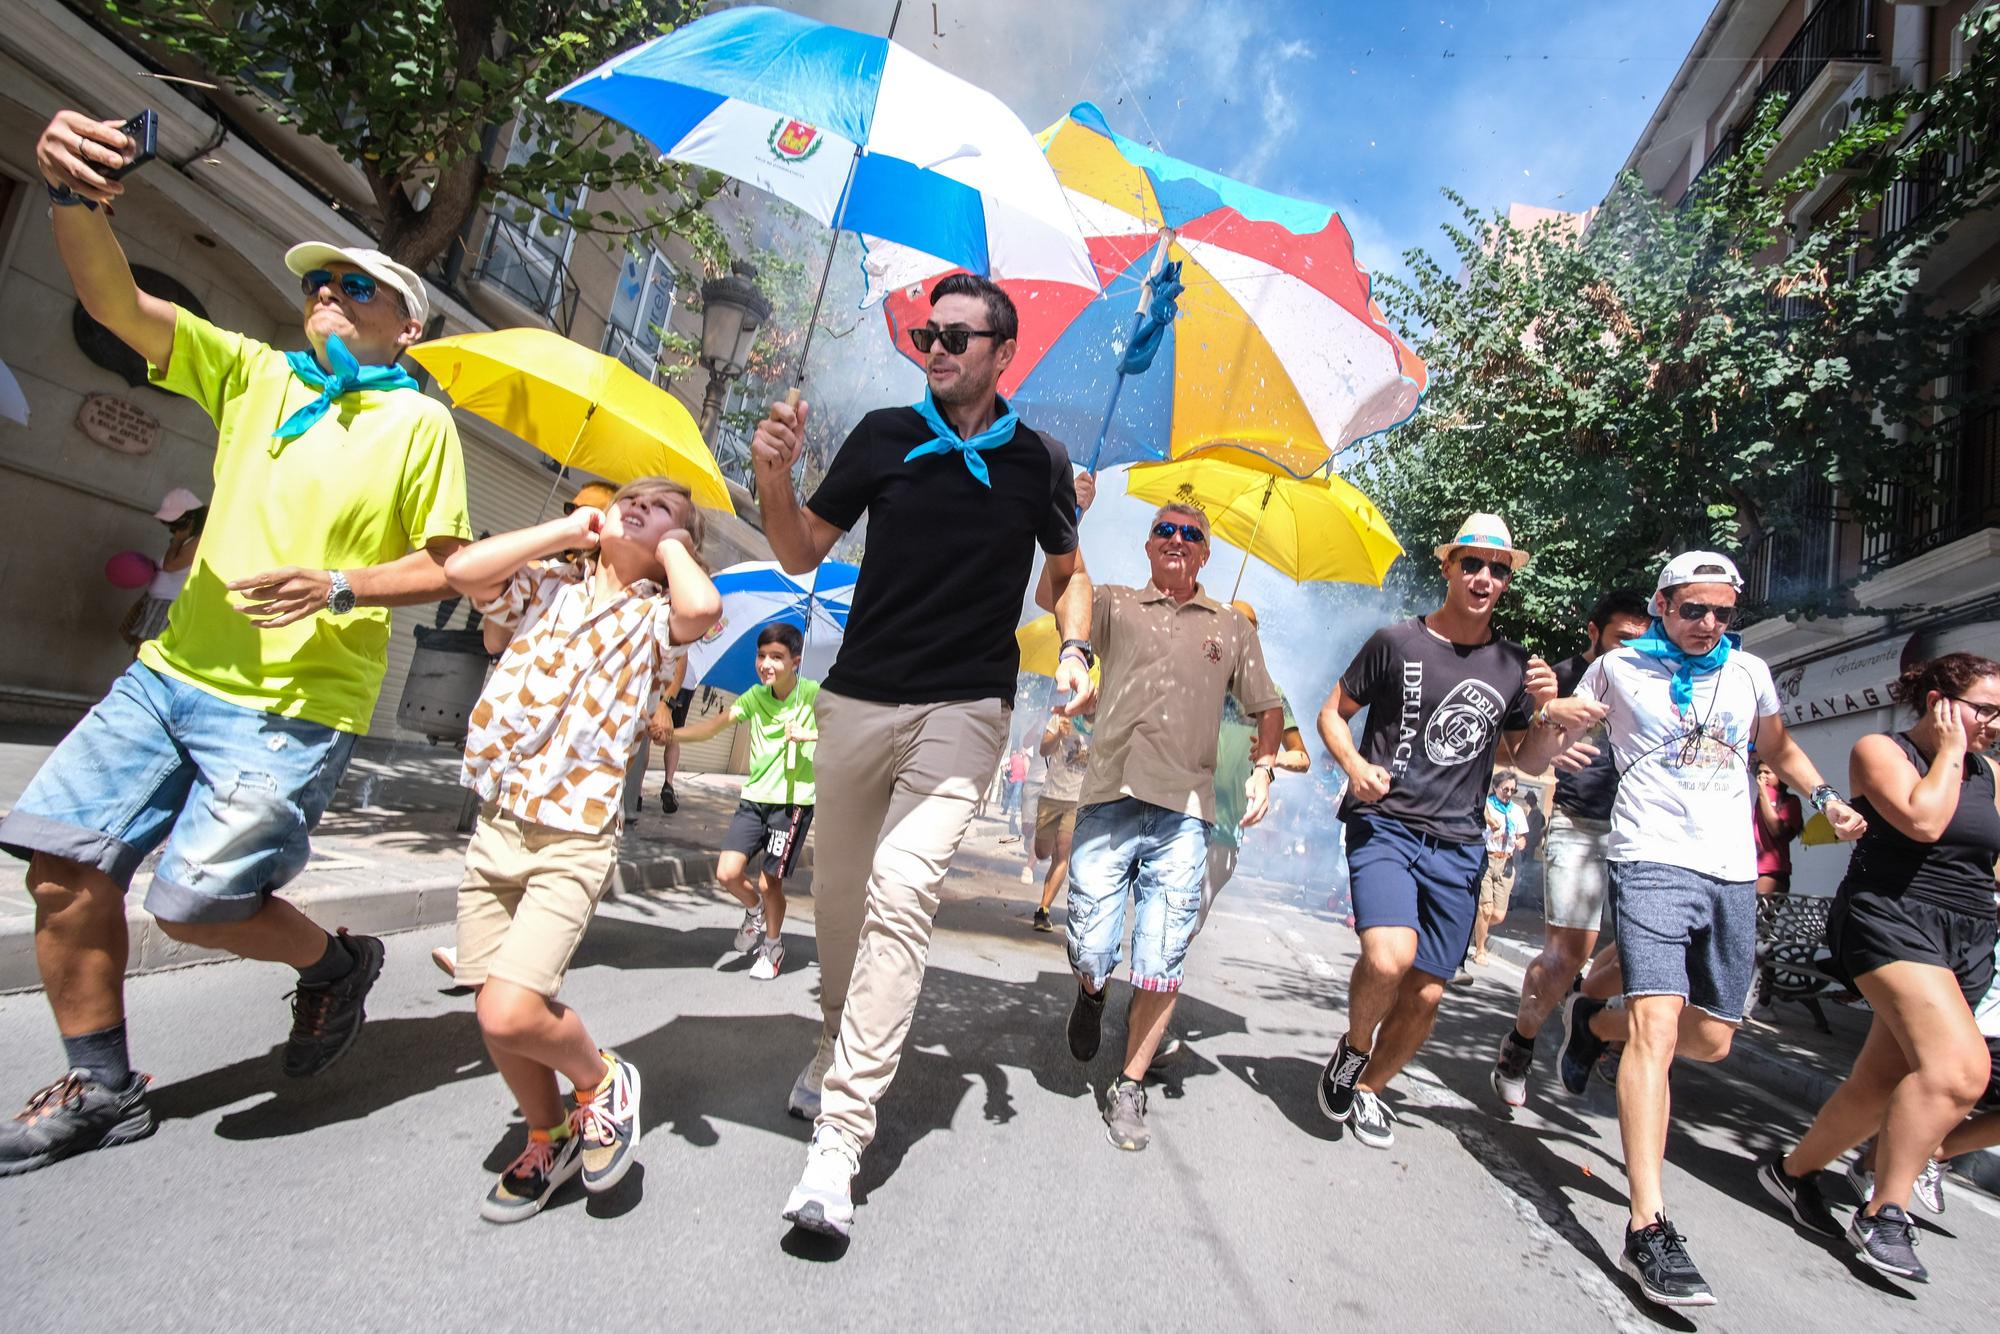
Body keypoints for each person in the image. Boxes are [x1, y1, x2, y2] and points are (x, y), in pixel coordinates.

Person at [0, 111, 474, 1177]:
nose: (328, 296)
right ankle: (101, 1084)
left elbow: (448, 564)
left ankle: (335, 961)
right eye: (319, 282)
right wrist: (76, 195)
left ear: (409, 328)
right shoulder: (254, 374)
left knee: (199, 902)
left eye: (358, 288)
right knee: (63, 865)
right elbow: (112, 303)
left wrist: (340, 583)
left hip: (292, 702)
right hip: (169, 674)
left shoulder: (419, 427)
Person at [751, 272, 1092, 1239]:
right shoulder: (882, 437)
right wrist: (773, 476)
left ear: (1001, 352)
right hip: (857, 702)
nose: (934, 349)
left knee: (904, 891)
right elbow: (797, 550)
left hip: (965, 709)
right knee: (846, 913)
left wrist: (1072, 645)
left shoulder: (1040, 462)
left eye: (955, 336)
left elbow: (1062, 582)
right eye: (925, 334)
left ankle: (840, 1147)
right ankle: (830, 1041)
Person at [1540, 551, 1866, 1307]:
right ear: (1662, 605)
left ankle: (1595, 1024)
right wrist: (1553, 716)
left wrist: (1824, 800)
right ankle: (1647, 1224)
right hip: (1650, 855)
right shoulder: (1619, 668)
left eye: (1722, 612)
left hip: (1729, 869)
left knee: (1714, 1038)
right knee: (1659, 1031)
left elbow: (1777, 747)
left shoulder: (1747, 672)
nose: (1708, 625)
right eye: (1693, 610)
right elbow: (1559, 732)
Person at [440, 477, 721, 1223]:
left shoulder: (659, 617)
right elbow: (464, 571)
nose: (636, 505)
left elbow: (702, 610)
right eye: (631, 495)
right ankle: (549, 1133)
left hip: (575, 832)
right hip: (499, 822)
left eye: (659, 507)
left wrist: (668, 546)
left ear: (677, 545)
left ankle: (602, 1081)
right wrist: (566, 534)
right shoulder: (548, 585)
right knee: (491, 1002)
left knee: (509, 1010)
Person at [1314, 514, 1567, 1153]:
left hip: (1459, 843)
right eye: (1473, 564)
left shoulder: (1512, 663)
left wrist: (1552, 716)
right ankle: (1353, 1047)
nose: (1484, 577)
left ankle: (1369, 1087)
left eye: (1498, 569)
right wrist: (1355, 765)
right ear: (1449, 567)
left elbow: (1523, 758)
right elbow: (1332, 713)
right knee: (1388, 957)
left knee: (1427, 988)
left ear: (1508, 581)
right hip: (1387, 824)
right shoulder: (1396, 642)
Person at [1756, 652, 2000, 1284]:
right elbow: (1922, 821)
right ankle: (1885, 1209)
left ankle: (1791, 1173)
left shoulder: (1993, 773)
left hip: (1968, 933)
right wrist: (1948, 752)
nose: (1996, 723)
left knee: (1878, 1083)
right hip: (1890, 918)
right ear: (1941, 704)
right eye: (1986, 709)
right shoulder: (1881, 750)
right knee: (1960, 1070)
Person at [1054, 500, 1281, 1151]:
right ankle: (1092, 992)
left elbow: (1268, 705)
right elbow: (1058, 591)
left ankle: (1128, 1084)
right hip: (1108, 799)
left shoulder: (1232, 628)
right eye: (1165, 530)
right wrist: (1068, 518)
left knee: (1161, 958)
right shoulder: (1116, 603)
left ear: (1206, 553)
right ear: (1148, 544)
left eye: (1191, 535)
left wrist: (1264, 768)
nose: (1177, 540)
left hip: (1186, 816)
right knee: (1092, 948)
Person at [1490, 589, 1649, 1106]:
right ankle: (1522, 1040)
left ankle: (1586, 1008)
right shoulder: (1556, 679)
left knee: (1647, 954)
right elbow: (1517, 756)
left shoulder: (1658, 683)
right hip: (1581, 824)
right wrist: (1548, 734)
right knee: (1564, 957)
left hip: (1646, 834)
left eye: (1643, 639)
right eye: (1623, 638)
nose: (1633, 649)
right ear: (1592, 632)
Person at [675, 622, 819, 980]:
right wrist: (670, 734)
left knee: (771, 881)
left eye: (776, 657)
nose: (765, 664)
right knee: (727, 871)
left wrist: (809, 733)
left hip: (792, 802)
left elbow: (847, 730)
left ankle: (772, 946)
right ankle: (754, 911)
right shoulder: (755, 697)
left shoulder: (814, 694)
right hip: (755, 799)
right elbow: (712, 727)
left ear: (796, 661)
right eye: (761, 655)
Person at [119, 488, 206, 647]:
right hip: (155, 602)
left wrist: (177, 541)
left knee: (145, 652)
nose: (173, 529)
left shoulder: (198, 540)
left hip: (167, 604)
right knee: (140, 649)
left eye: (176, 524)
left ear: (190, 519)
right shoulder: (187, 539)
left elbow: (171, 566)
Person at [1031, 709, 1092, 932]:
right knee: (1042, 852)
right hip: (1051, 796)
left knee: (1063, 850)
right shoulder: (1062, 717)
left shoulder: (1104, 723)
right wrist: (1057, 734)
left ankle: (1043, 909)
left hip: (1077, 800)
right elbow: (1043, 750)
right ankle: (1045, 854)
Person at [1471, 773, 1528, 967]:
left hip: (1506, 864)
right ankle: (1480, 950)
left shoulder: (1517, 811)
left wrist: (1521, 841)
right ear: (1495, 787)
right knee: (1485, 908)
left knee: (1497, 915)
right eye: (1506, 789)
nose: (1509, 793)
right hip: (1487, 857)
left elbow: (1521, 836)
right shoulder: (1486, 806)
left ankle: (1475, 928)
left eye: (1513, 790)